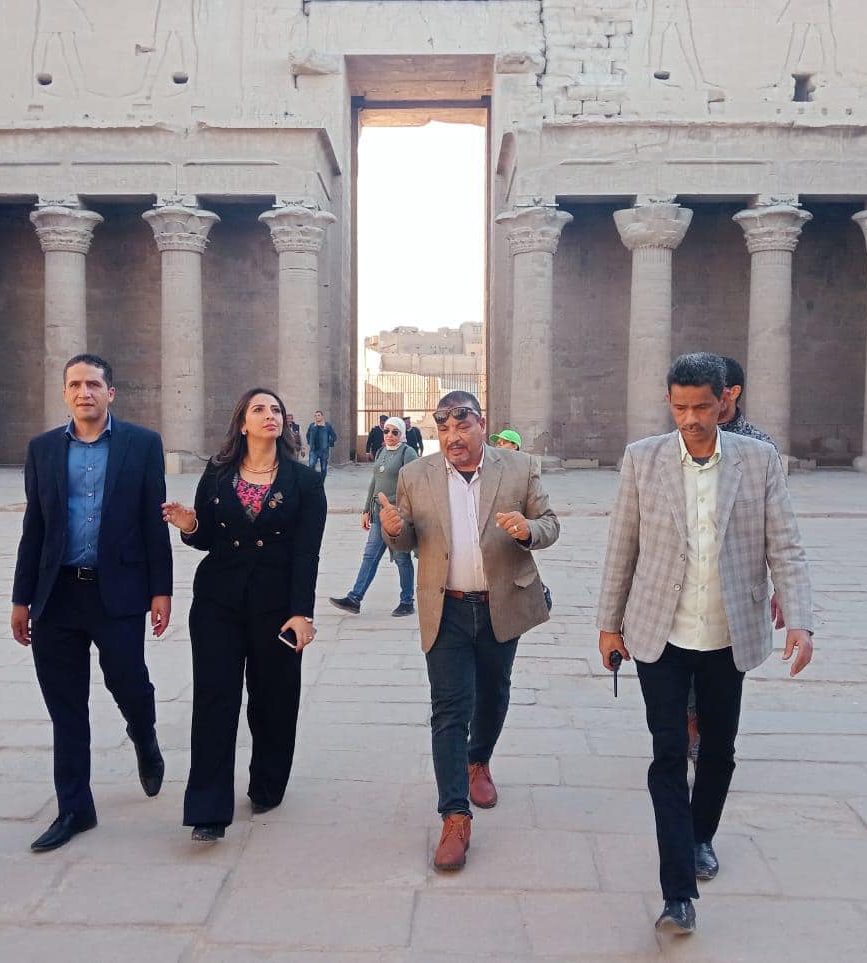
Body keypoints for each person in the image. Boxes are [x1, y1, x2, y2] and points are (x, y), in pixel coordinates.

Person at [596, 352, 814, 936]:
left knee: (718, 750)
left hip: (726, 631)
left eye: (700, 406)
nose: (690, 418)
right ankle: (677, 894)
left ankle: (700, 836)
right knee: (668, 754)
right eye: (679, 407)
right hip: (659, 631)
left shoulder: (758, 460)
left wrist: (799, 619)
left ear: (724, 402)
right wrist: (608, 623)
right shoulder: (643, 459)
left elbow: (785, 544)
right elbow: (622, 546)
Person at [380, 391, 559, 872]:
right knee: (448, 709)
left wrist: (527, 530)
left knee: (494, 693)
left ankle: (478, 760)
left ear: (482, 424)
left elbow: (549, 525)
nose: (452, 438)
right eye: (444, 429)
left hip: (502, 603)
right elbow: (408, 539)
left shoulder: (519, 468)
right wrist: (393, 529)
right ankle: (454, 816)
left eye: (462, 427)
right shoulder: (416, 475)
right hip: (446, 608)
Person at [12, 354, 173, 853]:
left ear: (111, 393)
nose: (85, 392)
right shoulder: (42, 449)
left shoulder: (142, 445)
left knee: (128, 681)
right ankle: (75, 809)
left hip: (117, 591)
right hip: (57, 594)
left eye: (94, 384)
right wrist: (21, 598)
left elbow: (152, 521)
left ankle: (144, 736)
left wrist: (161, 590)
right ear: (65, 393)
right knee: (65, 707)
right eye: (76, 385)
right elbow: (34, 527)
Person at [162, 388, 327, 842]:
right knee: (214, 700)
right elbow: (206, 539)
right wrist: (189, 525)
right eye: (259, 409)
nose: (270, 415)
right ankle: (208, 809)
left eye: (276, 410)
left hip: (276, 609)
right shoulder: (217, 474)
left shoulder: (305, 482)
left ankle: (267, 783)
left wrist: (302, 613)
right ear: (242, 423)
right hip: (217, 603)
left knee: (273, 701)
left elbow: (306, 554)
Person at [686, 356, 782, 763]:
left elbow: (776, 524)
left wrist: (783, 588)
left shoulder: (760, 448)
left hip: (734, 586)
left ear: (731, 393)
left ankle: (712, 739)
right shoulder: (679, 440)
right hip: (684, 580)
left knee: (722, 675)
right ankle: (690, 731)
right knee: (683, 670)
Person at [329, 417, 417, 617]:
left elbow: (413, 484)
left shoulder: (407, 452)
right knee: (370, 556)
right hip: (378, 515)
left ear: (402, 434)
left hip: (395, 516)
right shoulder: (381, 451)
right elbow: (374, 482)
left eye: (395, 432)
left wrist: (396, 505)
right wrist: (366, 509)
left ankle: (407, 601)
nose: (389, 435)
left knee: (402, 558)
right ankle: (354, 598)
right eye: (386, 431)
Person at [305, 410, 337, 480]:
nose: (317, 417)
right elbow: (308, 435)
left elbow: (334, 436)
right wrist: (310, 443)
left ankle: (321, 482)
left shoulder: (327, 426)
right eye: (315, 416)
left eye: (318, 415)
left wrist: (328, 444)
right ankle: (313, 481)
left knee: (323, 468)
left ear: (322, 416)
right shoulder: (312, 426)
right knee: (311, 466)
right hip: (314, 451)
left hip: (324, 451)